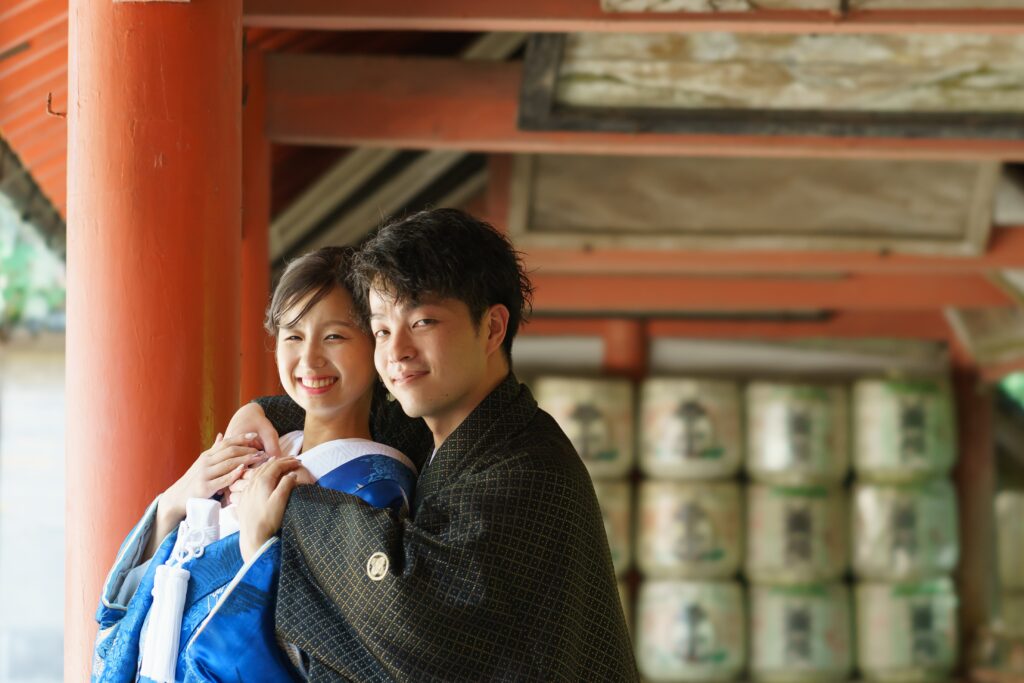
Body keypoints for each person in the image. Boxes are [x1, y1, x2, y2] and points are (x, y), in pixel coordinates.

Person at [230, 208, 639, 680]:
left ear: (491, 328)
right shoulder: (429, 429)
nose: (397, 351)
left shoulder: (527, 468)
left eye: (422, 322)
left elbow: (420, 611)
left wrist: (294, 508)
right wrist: (257, 415)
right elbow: (344, 404)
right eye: (382, 329)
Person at [91, 247, 417, 682]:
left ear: (377, 343)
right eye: (293, 336)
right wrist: (174, 503)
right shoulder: (269, 445)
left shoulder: (376, 486)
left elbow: (335, 655)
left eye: (335, 336)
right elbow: (127, 606)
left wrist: (257, 548)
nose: (310, 359)